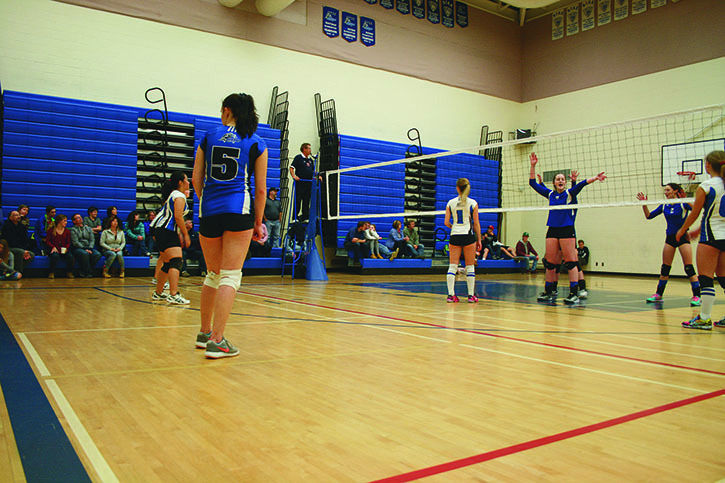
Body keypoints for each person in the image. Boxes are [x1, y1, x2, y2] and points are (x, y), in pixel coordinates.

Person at [192, 92, 268, 359]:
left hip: (209, 211)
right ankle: (217, 340)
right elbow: (260, 190)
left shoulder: (208, 136)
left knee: (212, 274)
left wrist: (208, 202)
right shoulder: (256, 142)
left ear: (226, 111)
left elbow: (196, 178)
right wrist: (258, 222)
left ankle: (204, 333)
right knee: (230, 276)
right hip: (239, 211)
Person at [529, 152, 606, 304]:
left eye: (562, 179)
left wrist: (595, 178)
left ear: (565, 183)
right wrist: (533, 165)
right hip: (552, 229)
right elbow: (532, 184)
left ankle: (574, 292)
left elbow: (582, 184)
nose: (560, 181)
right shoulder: (550, 194)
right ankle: (549, 290)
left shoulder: (570, 194)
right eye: (558, 179)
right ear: (554, 182)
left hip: (566, 230)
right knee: (550, 262)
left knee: (571, 262)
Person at [677, 151, 725, 330]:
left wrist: (683, 230)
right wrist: (697, 229)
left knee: (706, 278)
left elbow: (696, 213)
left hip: (710, 237)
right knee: (724, 277)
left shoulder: (706, 186)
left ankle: (704, 318)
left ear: (708, 166)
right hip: (723, 236)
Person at [637, 183, 701, 306]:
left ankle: (697, 295)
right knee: (665, 268)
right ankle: (659, 294)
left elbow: (696, 212)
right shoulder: (664, 205)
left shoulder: (683, 203)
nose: (665, 192)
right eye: (665, 190)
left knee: (688, 268)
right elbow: (649, 216)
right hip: (670, 238)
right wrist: (644, 204)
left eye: (668, 190)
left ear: (675, 191)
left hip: (682, 237)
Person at [150, 172, 190, 302]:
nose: (188, 182)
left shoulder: (174, 194)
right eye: (186, 180)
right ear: (180, 182)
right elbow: (178, 217)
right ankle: (173, 294)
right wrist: (185, 234)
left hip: (160, 230)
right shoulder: (179, 195)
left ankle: (158, 292)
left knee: (167, 263)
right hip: (166, 230)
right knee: (176, 261)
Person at [445, 178, 482, 303]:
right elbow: (476, 224)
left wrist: (454, 227)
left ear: (457, 188)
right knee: (470, 266)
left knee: (452, 266)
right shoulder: (473, 203)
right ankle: (471, 296)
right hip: (468, 235)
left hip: (455, 235)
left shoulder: (450, 203)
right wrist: (479, 239)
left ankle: (451, 295)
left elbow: (446, 222)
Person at [70, 213, 102, 278]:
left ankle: (83, 270)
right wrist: (84, 248)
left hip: (88, 247)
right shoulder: (73, 230)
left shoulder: (88, 228)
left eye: (81, 217)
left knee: (97, 254)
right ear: (74, 221)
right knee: (85, 254)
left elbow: (92, 239)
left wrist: (90, 248)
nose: (81, 218)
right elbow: (75, 242)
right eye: (78, 218)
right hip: (77, 248)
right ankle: (88, 273)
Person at [290, 142, 315, 222]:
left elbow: (312, 171)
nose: (310, 150)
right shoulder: (298, 158)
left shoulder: (311, 160)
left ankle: (305, 217)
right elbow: (291, 168)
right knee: (298, 199)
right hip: (300, 182)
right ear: (304, 149)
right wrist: (294, 176)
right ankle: (295, 217)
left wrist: (317, 176)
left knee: (306, 200)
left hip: (308, 183)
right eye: (309, 148)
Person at [46, 214, 74, 279]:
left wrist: (66, 248)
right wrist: (52, 247)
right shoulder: (51, 230)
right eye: (64, 221)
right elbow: (48, 241)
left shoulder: (67, 231)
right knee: (55, 256)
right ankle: (51, 272)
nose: (66, 222)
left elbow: (68, 242)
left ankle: (69, 272)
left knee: (70, 256)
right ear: (59, 221)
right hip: (54, 249)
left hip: (63, 249)